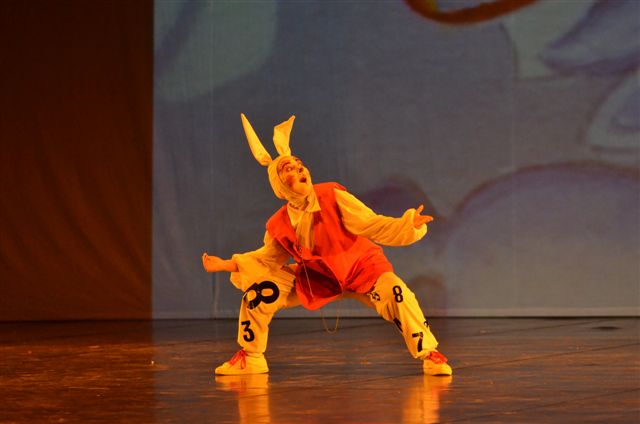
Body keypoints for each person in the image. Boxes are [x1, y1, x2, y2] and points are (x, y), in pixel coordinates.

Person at [202, 114, 452, 376]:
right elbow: (266, 260)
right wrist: (226, 265)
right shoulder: (278, 223)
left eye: (300, 165)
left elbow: (371, 224)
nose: (299, 169)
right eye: (288, 169)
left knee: (397, 293)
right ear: (279, 187)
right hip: (317, 278)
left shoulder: (332, 194)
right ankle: (251, 357)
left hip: (362, 268)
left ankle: (430, 354)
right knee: (258, 293)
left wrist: (408, 224)